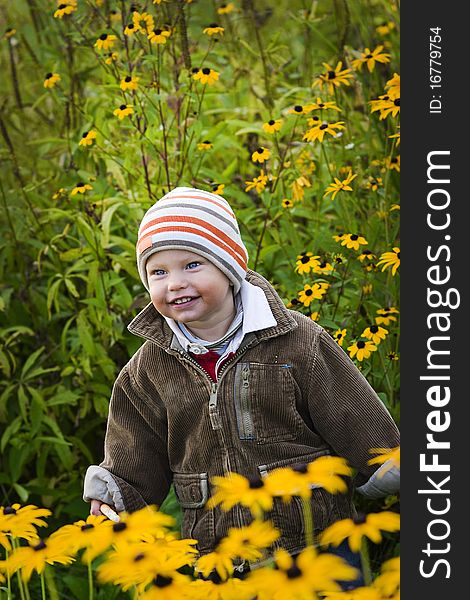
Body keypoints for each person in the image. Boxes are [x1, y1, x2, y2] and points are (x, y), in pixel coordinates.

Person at [83, 186, 400, 582]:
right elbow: (135, 444)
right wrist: (117, 495)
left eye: (192, 265)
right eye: (158, 272)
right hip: (219, 558)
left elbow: (349, 409)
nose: (175, 283)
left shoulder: (296, 339)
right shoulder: (148, 368)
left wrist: (389, 462)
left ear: (230, 267)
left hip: (316, 542)